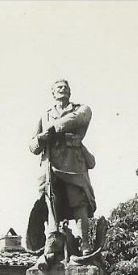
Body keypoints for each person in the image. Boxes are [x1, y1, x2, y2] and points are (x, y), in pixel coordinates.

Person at [27, 79, 98, 255]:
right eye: (59, 87)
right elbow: (32, 146)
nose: (62, 89)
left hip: (73, 163)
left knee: (78, 201)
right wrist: (41, 139)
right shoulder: (45, 115)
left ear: (70, 92)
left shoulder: (79, 108)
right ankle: (53, 241)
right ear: (53, 93)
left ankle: (84, 244)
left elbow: (81, 117)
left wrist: (55, 127)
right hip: (50, 165)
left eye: (65, 87)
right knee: (51, 202)